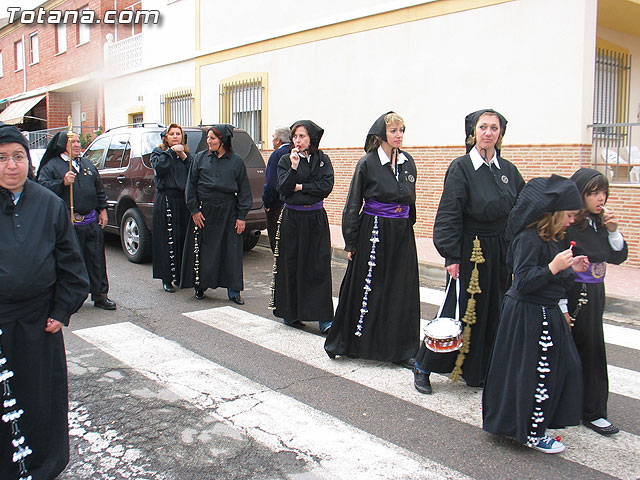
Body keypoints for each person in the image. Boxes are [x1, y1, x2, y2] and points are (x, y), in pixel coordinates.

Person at [413, 109, 525, 394]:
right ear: (473, 132)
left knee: (492, 312)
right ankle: (423, 366)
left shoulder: (508, 171)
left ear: (501, 133)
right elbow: (450, 212)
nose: (489, 133)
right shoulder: (461, 167)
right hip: (470, 250)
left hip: (499, 251)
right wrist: (451, 255)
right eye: (483, 127)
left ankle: (477, 370)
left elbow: (521, 209)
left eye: (494, 128)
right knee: (458, 311)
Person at [0, 123, 89, 478]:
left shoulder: (49, 205)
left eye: (18, 156)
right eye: (2, 158)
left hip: (40, 324)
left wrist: (61, 309)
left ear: (28, 161)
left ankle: (42, 467)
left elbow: (71, 265)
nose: (11, 165)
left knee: (39, 401)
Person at [482, 174, 588, 454]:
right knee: (530, 374)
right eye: (569, 214)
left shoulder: (555, 238)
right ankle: (530, 432)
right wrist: (553, 268)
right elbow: (523, 281)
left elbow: (555, 279)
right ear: (553, 213)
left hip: (546, 312)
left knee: (562, 368)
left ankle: (535, 423)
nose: (572, 221)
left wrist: (570, 267)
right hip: (527, 315)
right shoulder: (528, 238)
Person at [324, 112, 419, 367]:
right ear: (381, 135)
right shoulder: (367, 163)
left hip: (402, 234)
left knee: (401, 289)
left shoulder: (408, 163)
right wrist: (352, 240)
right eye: (394, 131)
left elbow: (411, 200)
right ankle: (346, 341)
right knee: (366, 287)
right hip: (375, 232)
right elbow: (353, 202)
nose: (399, 135)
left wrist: (407, 229)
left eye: (402, 130)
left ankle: (401, 349)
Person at [563, 168, 628, 435]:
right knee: (575, 349)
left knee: (591, 349)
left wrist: (613, 231)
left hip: (595, 294)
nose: (600, 198)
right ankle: (582, 409)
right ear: (580, 195)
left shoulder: (600, 222)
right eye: (594, 193)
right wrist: (562, 305)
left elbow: (616, 256)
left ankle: (589, 409)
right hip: (574, 292)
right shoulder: (569, 225)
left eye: (603, 192)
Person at [38, 131, 117, 310]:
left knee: (96, 259)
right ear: (62, 145)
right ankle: (71, 297)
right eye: (72, 142)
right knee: (72, 261)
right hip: (69, 223)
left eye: (77, 141)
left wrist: (102, 210)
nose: (76, 144)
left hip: (91, 221)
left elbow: (99, 189)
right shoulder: (53, 166)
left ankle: (100, 295)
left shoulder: (87, 165)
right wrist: (62, 183)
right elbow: (41, 188)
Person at [270, 120, 334, 333]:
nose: (298, 140)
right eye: (295, 136)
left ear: (311, 138)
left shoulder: (322, 160)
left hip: (315, 218)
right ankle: (291, 313)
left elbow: (325, 187)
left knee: (318, 266)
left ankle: (324, 317)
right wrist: (294, 168)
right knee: (292, 264)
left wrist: (301, 186)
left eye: (302, 136)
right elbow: (284, 190)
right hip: (293, 219)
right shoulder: (285, 160)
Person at [180, 125, 252, 304]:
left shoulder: (236, 161)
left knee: (231, 252)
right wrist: (194, 210)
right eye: (208, 138)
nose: (209, 141)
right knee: (205, 251)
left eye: (212, 138)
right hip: (205, 212)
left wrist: (241, 216)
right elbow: (191, 186)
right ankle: (200, 286)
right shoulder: (199, 158)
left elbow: (244, 191)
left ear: (223, 140)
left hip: (229, 211)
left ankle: (234, 291)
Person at [151, 124, 193, 293]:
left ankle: (180, 275)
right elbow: (160, 169)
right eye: (172, 134)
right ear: (166, 137)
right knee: (166, 238)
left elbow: (194, 172)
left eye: (178, 134)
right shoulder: (159, 153)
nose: (175, 137)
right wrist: (170, 152)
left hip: (182, 200)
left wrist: (182, 155)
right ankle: (166, 278)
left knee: (182, 238)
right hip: (166, 198)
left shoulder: (186, 156)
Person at [263, 126, 291, 253]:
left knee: (277, 241)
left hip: (277, 205)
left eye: (273, 137)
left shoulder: (276, 155)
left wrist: (267, 202)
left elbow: (271, 183)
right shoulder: (294, 152)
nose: (272, 140)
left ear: (278, 140)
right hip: (291, 204)